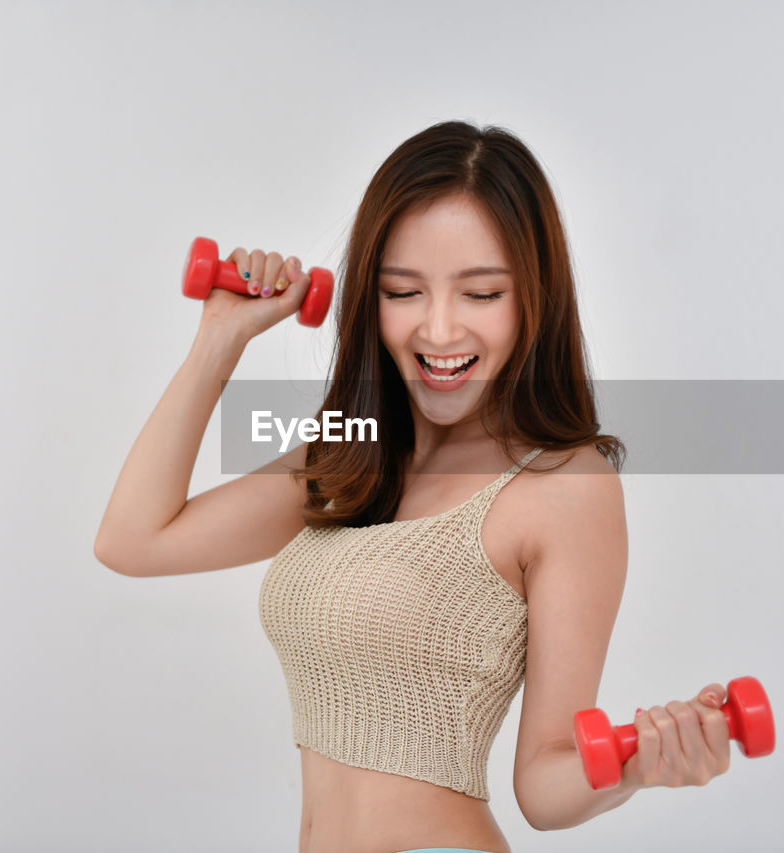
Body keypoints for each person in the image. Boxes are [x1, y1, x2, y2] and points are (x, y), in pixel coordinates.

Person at [95, 120, 733, 853]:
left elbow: (544, 786)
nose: (438, 329)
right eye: (403, 291)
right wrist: (220, 337)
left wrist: (637, 761)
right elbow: (133, 539)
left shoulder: (564, 484)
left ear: (534, 299)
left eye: (482, 293)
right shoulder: (355, 455)